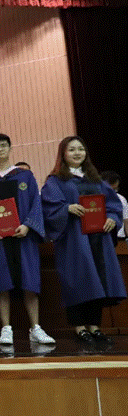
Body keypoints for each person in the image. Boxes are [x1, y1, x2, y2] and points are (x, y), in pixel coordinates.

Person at [42, 136, 126, 343]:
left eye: (80, 149)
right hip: (74, 240)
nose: (77, 153)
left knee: (99, 280)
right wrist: (66, 208)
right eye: (72, 149)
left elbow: (113, 205)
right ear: (63, 154)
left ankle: (95, 326)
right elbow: (48, 208)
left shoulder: (95, 179)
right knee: (78, 280)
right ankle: (80, 327)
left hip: (99, 239)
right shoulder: (56, 181)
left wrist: (112, 218)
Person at [0, 133, 55, 345]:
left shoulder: (25, 176)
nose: (0, 149)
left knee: (30, 282)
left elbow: (35, 204)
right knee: (2, 283)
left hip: (24, 238)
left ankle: (36, 328)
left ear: (10, 149)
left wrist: (28, 225)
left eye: (4, 145)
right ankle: (6, 328)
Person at [101, 171, 127, 242]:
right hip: (100, 237)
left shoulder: (122, 199)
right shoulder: (94, 199)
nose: (113, 193)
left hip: (118, 238)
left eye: (115, 189)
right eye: (110, 189)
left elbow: (126, 220)